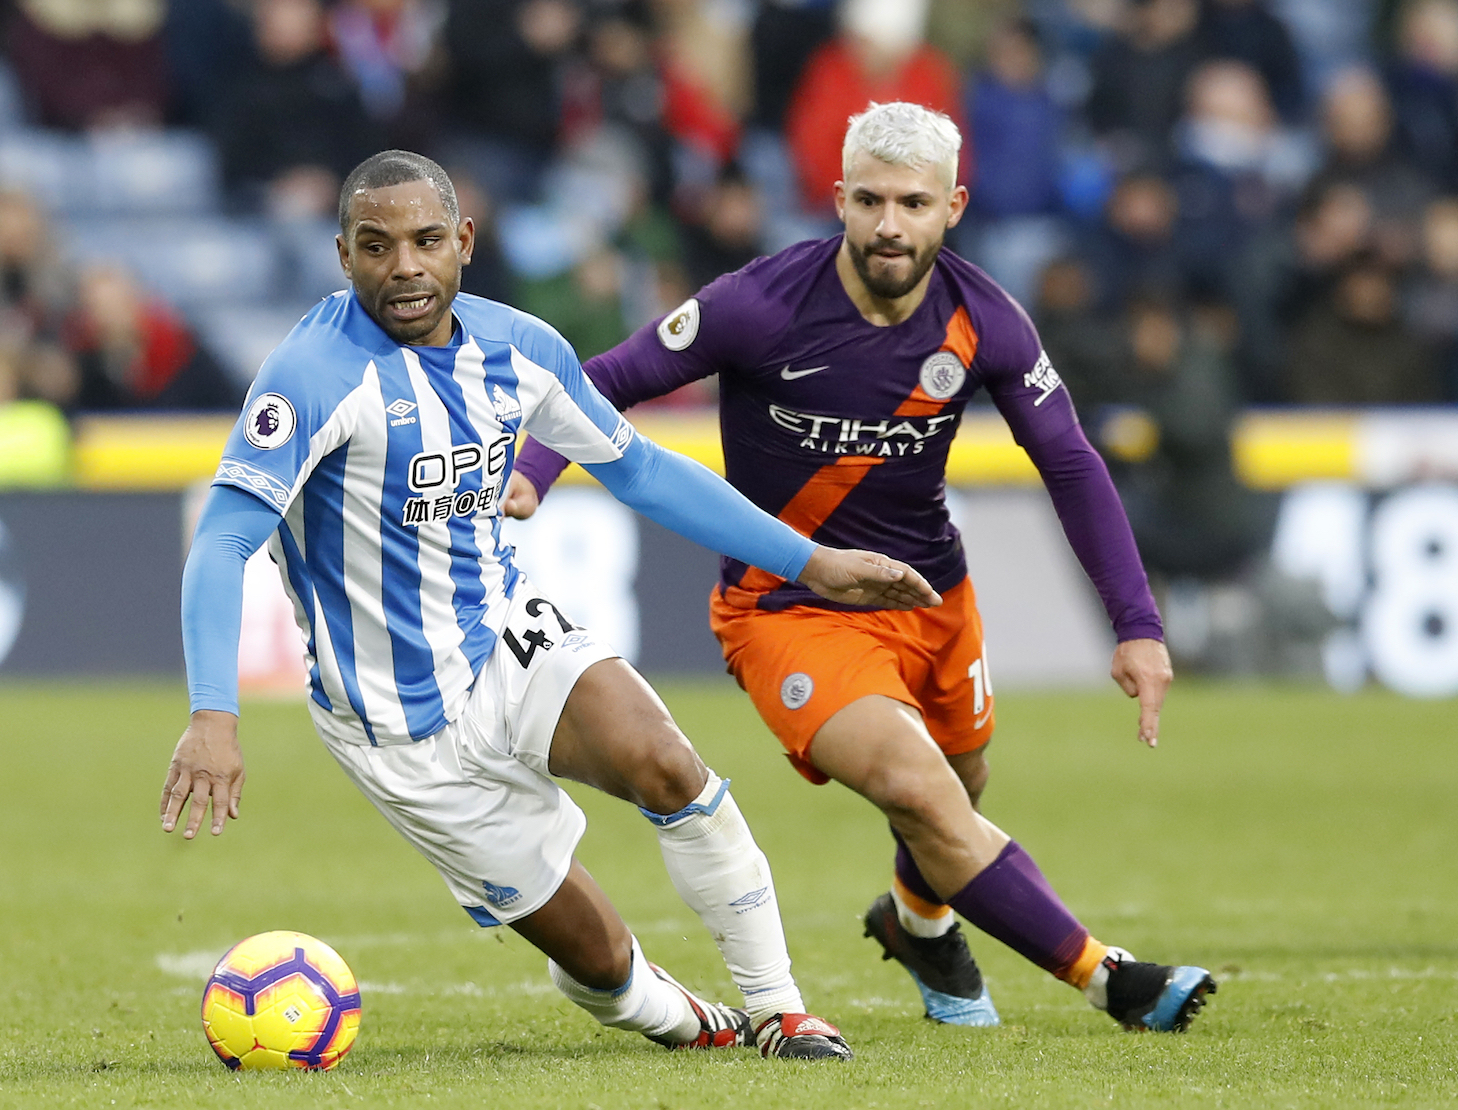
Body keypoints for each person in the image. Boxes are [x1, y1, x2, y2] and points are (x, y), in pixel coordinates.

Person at [160, 149, 943, 1060]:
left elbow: (641, 470)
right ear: (343, 256)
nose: (404, 267)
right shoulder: (310, 376)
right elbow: (223, 541)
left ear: (464, 241)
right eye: (376, 247)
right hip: (395, 722)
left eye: (425, 241)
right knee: (600, 963)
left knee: (668, 765)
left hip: (504, 634)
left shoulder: (520, 348)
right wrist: (212, 715)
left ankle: (780, 1009)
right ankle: (680, 1017)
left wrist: (813, 563)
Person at [508, 102, 1217, 1033]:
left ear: (952, 207)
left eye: (914, 204)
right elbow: (604, 381)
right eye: (871, 201)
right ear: (838, 198)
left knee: (959, 789)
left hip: (933, 596)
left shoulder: (987, 321)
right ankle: (1110, 978)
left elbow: (1072, 463)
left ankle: (919, 925)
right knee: (919, 790)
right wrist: (534, 472)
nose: (890, 224)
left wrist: (1137, 624)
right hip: (789, 606)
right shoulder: (758, 305)